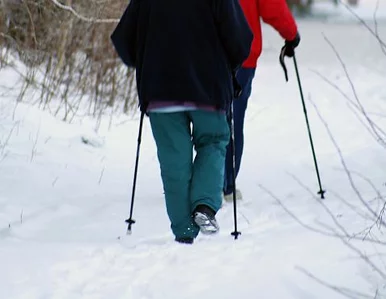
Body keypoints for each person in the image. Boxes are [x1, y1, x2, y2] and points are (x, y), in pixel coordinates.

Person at [111, 0, 253, 244]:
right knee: (213, 141)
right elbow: (240, 42)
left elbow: (124, 42)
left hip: (160, 91)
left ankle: (184, 230)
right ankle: (205, 206)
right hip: (208, 88)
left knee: (173, 160)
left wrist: (148, 59)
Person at [223, 0, 301, 202]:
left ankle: (198, 182)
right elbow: (272, 6)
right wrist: (291, 34)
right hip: (241, 54)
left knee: (201, 115)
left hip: (199, 54)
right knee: (232, 117)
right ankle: (226, 184)